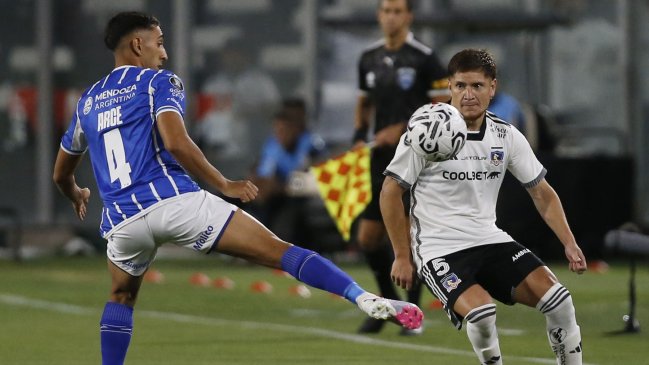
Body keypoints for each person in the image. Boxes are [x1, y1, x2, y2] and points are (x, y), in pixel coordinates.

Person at [52, 12, 423, 365]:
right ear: (137, 45)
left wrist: (76, 193)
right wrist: (223, 183)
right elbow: (177, 142)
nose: (164, 53)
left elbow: (61, 172)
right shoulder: (158, 83)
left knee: (120, 296)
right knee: (282, 252)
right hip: (175, 203)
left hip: (122, 223)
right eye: (159, 43)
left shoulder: (87, 101)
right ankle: (360, 296)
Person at [381, 49, 587, 365]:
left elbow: (542, 194)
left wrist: (569, 243)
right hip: (439, 248)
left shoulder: (505, 135)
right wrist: (401, 255)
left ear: (492, 87)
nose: (468, 94)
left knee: (560, 301)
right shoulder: (425, 133)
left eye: (477, 86)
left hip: (489, 238)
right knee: (482, 312)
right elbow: (390, 192)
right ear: (449, 87)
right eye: (461, 85)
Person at [352, 0, 449, 335]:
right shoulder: (369, 58)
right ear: (379, 16)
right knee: (367, 237)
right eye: (386, 10)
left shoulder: (424, 58)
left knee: (405, 237)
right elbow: (364, 101)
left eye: (397, 11)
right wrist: (357, 134)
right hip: (379, 158)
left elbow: (442, 106)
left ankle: (414, 314)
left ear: (408, 16)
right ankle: (388, 305)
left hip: (415, 156)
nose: (391, 16)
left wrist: (403, 128)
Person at [250, 101, 326, 244]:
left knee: (289, 210)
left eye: (284, 130)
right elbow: (262, 172)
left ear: (295, 129)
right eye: (277, 130)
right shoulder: (273, 145)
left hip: (301, 195)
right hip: (278, 194)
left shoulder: (311, 144)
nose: (280, 135)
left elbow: (314, 175)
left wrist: (277, 187)